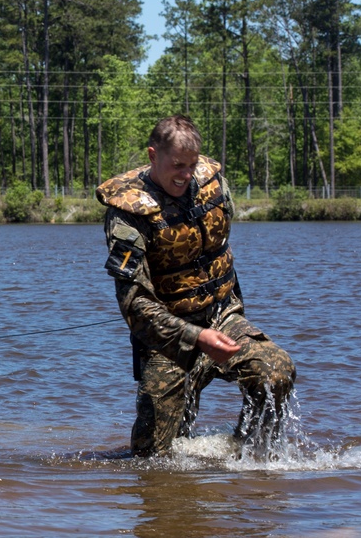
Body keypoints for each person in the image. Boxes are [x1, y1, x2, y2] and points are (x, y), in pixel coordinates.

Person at [95, 114, 296, 458]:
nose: (186, 175)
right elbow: (134, 305)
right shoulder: (127, 212)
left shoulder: (211, 183)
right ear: (152, 155)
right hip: (167, 339)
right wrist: (196, 337)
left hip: (223, 319)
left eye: (192, 165)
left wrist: (223, 320)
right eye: (177, 165)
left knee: (277, 370)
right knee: (152, 460)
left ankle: (251, 457)